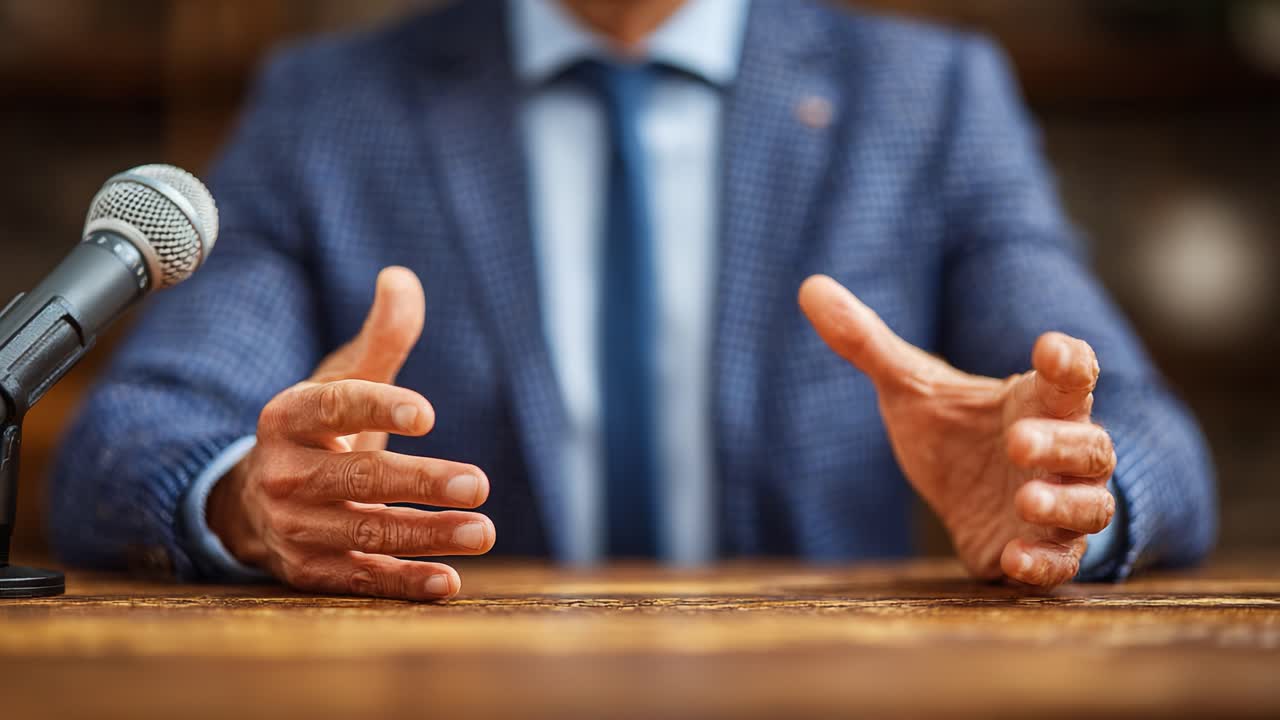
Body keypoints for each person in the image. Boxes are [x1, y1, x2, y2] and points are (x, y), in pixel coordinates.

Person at [50, 0, 1216, 600]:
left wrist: (1063, 494)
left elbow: (1151, 442)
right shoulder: (327, 106)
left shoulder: (931, 97)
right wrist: (252, 505)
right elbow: (128, 436)